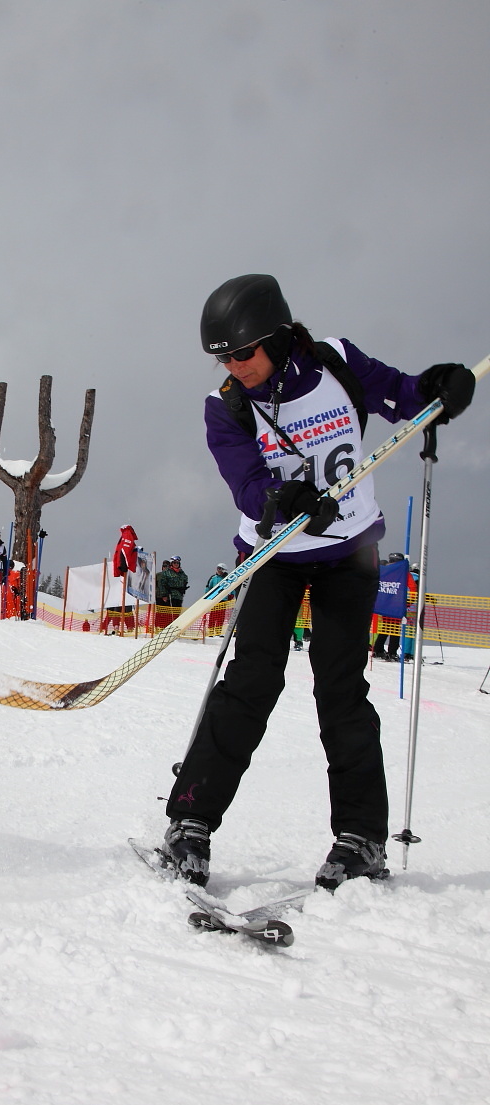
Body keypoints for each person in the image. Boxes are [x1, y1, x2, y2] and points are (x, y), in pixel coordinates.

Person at [161, 273, 475, 891]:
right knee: (250, 683)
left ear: (274, 337)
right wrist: (284, 497)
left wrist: (443, 388)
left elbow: (405, 397)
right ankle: (190, 822)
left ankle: (361, 838)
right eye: (222, 357)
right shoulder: (224, 406)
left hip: (348, 555)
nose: (233, 366)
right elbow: (248, 484)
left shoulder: (337, 362)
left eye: (241, 352)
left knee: (341, 691)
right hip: (274, 556)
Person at [205, 562, 231, 636]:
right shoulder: (213, 578)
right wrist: (207, 596)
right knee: (213, 615)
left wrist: (231, 595)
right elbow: (208, 587)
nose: (218, 570)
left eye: (220, 569)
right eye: (218, 568)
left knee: (221, 615)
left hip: (223, 599)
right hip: (214, 599)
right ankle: (211, 631)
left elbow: (231, 587)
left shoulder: (227, 578)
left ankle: (218, 631)